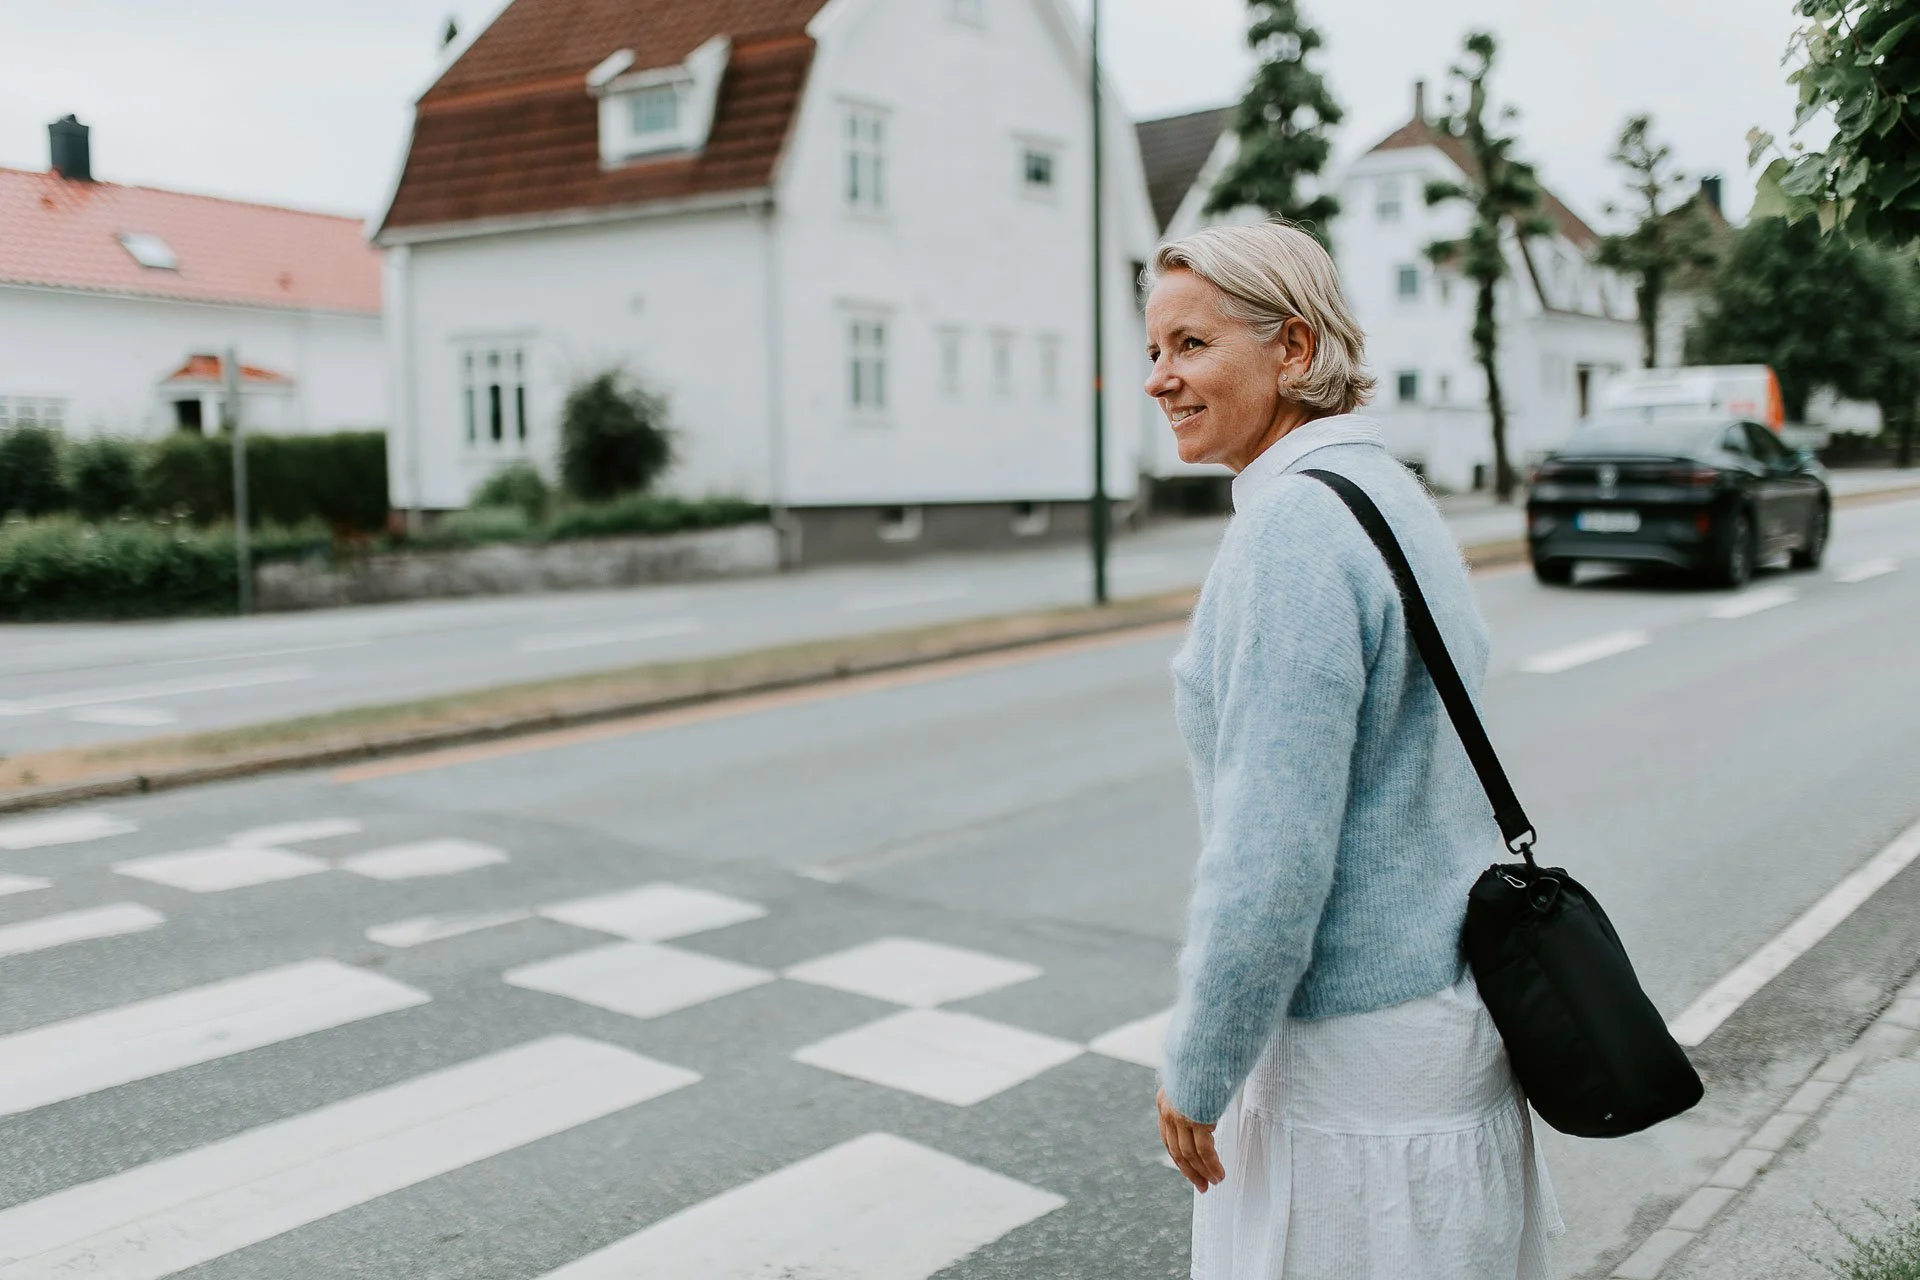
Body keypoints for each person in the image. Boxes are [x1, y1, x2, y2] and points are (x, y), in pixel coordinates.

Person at [1143, 221, 1561, 1279]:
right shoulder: (1385, 493)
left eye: (1191, 344)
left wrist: (1201, 1061)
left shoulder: (1291, 529)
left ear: (1292, 347)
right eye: (1155, 350)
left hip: (1353, 1078)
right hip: (1447, 1025)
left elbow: (1272, 851)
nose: (1159, 379)